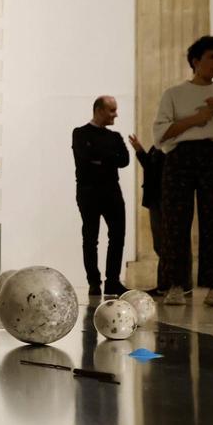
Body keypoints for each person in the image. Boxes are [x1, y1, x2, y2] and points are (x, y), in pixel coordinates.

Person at [152, 36, 213, 308]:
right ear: (196, 61)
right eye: (211, 57)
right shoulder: (173, 94)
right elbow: (160, 134)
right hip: (179, 157)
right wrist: (195, 119)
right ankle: (175, 285)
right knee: (175, 222)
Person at [72, 96, 130, 297]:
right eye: (112, 110)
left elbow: (124, 160)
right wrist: (107, 157)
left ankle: (112, 281)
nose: (116, 114)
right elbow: (85, 157)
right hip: (89, 193)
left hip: (112, 192)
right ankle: (94, 282)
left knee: (117, 236)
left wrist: (99, 157)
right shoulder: (80, 133)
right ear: (99, 110)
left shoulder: (115, 137)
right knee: (91, 237)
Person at [128, 134, 189, 296]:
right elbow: (150, 166)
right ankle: (165, 283)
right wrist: (140, 150)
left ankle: (177, 284)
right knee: (160, 244)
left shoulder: (176, 144)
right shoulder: (158, 145)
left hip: (168, 198)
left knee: (169, 243)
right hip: (155, 198)